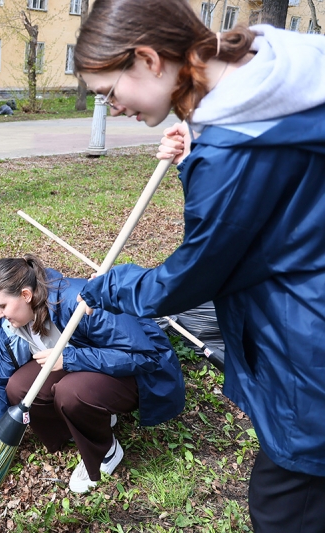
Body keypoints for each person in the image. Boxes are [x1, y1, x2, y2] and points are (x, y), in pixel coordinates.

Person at [73, 0, 325, 529]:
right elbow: (264, 215)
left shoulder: (237, 149)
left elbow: (195, 274)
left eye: (109, 93)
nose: (112, 107)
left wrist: (110, 286)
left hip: (309, 355)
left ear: (147, 59)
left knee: (284, 509)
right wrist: (198, 154)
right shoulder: (274, 73)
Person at [0, 255, 184, 493]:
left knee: (70, 392)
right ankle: (78, 427)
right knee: (17, 386)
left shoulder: (81, 302)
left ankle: (106, 450)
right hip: (88, 367)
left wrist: (70, 359)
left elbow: (143, 356)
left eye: (2, 306)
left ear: (26, 295)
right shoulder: (12, 327)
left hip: (139, 373)